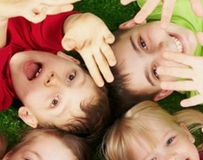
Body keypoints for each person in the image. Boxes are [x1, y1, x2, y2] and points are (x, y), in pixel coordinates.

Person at [0, 2, 116, 137]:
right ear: (69, 59)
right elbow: (64, 27)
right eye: (71, 77)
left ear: (28, 115)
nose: (54, 80)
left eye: (54, 102)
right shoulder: (44, 38)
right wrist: (80, 23)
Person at [109, 0, 203, 115]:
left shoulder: (157, 4)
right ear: (165, 91)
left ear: (132, 25)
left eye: (143, 44)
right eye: (155, 72)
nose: (164, 49)